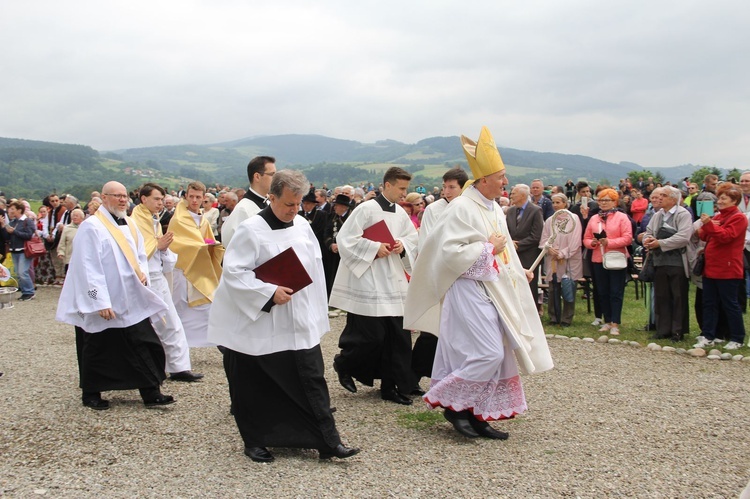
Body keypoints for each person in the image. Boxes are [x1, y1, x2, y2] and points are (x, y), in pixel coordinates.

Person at [404, 126, 553, 439]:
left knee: (497, 352)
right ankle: (452, 404)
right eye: (501, 177)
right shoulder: (461, 207)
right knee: (487, 353)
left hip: (495, 288)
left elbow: (505, 249)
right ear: (483, 180)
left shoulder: (494, 206)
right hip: (468, 289)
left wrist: (517, 270)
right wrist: (489, 249)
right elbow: (448, 253)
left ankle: (479, 414)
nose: (505, 182)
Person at [207, 170, 359, 463]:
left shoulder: (301, 225)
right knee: (256, 385)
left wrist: (314, 310)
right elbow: (234, 273)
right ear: (272, 197)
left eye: (298, 203)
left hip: (297, 317)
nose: (295, 210)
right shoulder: (251, 230)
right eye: (289, 204)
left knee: (310, 378)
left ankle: (328, 441)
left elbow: (313, 268)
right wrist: (267, 292)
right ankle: (255, 441)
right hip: (261, 322)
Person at [55, 181, 174, 410]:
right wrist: (98, 300)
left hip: (130, 297)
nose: (122, 200)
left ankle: (151, 391)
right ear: (104, 197)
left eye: (124, 196)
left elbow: (140, 255)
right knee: (98, 346)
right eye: (116, 196)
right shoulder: (91, 226)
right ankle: (91, 393)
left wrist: (142, 274)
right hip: (104, 300)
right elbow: (86, 267)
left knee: (145, 342)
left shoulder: (129, 223)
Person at [329, 167, 419, 405]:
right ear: (387, 185)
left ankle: (390, 387)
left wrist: (402, 245)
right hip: (370, 277)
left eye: (406, 189)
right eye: (401, 188)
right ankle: (344, 363)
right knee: (372, 337)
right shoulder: (366, 209)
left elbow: (412, 238)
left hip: (394, 279)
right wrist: (373, 248)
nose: (404, 193)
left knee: (397, 339)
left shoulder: (400, 212)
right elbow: (346, 239)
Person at [133, 183, 203, 382]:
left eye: (162, 200)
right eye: (156, 199)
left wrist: (163, 248)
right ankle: (157, 366)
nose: (160, 203)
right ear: (143, 198)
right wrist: (158, 244)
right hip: (146, 277)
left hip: (157, 275)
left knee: (171, 321)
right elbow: (137, 251)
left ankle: (178, 367)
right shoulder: (136, 220)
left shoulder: (152, 218)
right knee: (152, 324)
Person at [411, 166, 470, 386]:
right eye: (444, 186)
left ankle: (450, 377)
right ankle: (412, 376)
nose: (446, 191)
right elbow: (428, 242)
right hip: (439, 273)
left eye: (451, 187)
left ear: (463, 187)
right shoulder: (435, 209)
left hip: (462, 274)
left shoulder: (468, 207)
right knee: (432, 329)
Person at [168, 181, 225, 348]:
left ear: (203, 199)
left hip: (200, 268)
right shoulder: (178, 219)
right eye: (191, 196)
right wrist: (201, 245)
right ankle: (178, 344)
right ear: (185, 196)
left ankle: (216, 340)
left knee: (207, 305)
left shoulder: (203, 219)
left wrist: (213, 245)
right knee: (182, 308)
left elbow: (207, 239)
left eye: (198, 197)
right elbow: (178, 243)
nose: (194, 200)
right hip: (184, 270)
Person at [693, 184, 747, 350]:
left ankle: (737, 337)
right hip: (711, 267)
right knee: (709, 303)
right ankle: (709, 334)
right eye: (720, 197)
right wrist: (707, 224)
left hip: (728, 268)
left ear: (734, 201)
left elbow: (726, 236)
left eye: (724, 198)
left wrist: (710, 225)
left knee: (730, 304)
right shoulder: (718, 216)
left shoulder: (739, 218)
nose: (720, 201)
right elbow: (703, 234)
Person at [642, 186, 693, 341]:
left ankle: (678, 330)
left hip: (677, 261)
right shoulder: (657, 215)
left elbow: (684, 237)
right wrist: (648, 240)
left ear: (673, 198)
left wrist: (661, 243)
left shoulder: (683, 214)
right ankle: (663, 329)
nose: (660, 198)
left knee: (678, 296)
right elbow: (648, 232)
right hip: (659, 261)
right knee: (661, 295)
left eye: (664, 195)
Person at [583, 189, 633, 336]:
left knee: (615, 291)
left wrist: (609, 242)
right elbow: (585, 238)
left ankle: (615, 322)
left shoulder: (622, 218)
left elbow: (628, 238)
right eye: (601, 200)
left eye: (607, 200)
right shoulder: (594, 219)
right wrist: (592, 243)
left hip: (616, 258)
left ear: (614, 202)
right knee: (602, 291)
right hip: (598, 259)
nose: (603, 203)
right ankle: (607, 320)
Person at [540, 193, 582, 327]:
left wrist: (563, 253)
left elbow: (576, 241)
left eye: (558, 202)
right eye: (553, 202)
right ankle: (553, 316)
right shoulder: (549, 220)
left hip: (569, 261)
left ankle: (567, 318)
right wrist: (549, 248)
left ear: (565, 203)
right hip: (552, 260)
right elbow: (544, 239)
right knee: (553, 289)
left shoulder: (573, 219)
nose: (555, 205)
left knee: (568, 288)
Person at [221, 156, 276, 248]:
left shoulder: (269, 204)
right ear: (257, 177)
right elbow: (229, 242)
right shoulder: (243, 209)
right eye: (272, 175)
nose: (276, 179)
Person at [506, 184, 544, 313]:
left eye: (513, 194)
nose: (511, 196)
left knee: (529, 285)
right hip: (512, 254)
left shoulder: (535, 210)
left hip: (528, 255)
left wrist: (518, 245)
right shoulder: (510, 211)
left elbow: (536, 235)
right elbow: (506, 231)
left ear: (523, 195)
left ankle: (530, 313)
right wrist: (510, 243)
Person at [0, 201, 36, 300]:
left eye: (12, 209)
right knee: (18, 273)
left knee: (22, 272)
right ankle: (25, 291)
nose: (10, 211)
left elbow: (29, 235)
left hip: (24, 250)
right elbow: (7, 237)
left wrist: (14, 231)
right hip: (14, 250)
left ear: (19, 210)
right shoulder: (12, 222)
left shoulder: (27, 221)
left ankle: (29, 291)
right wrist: (3, 226)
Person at [322, 194, 353, 297]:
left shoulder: (352, 218)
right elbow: (326, 233)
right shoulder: (332, 217)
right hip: (333, 254)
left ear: (344, 207)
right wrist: (331, 245)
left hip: (347, 255)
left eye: (337, 205)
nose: (334, 207)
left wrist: (343, 246)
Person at [56, 208, 85, 273]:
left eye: (77, 216)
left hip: (82, 257)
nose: (74, 217)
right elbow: (62, 242)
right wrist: (61, 252)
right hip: (69, 257)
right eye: (73, 216)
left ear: (82, 217)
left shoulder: (85, 228)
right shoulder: (67, 228)